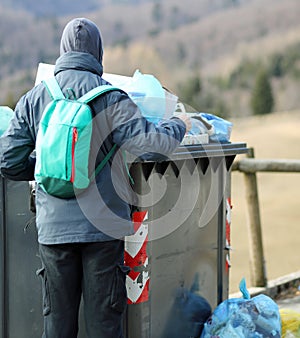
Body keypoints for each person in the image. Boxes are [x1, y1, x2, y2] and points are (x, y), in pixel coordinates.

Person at [0, 18, 191, 338]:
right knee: (104, 324)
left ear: (63, 51)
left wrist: (44, 169)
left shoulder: (35, 98)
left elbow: (6, 161)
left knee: (57, 325)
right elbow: (151, 148)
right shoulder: (112, 97)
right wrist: (178, 125)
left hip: (52, 231)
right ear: (98, 53)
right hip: (103, 229)